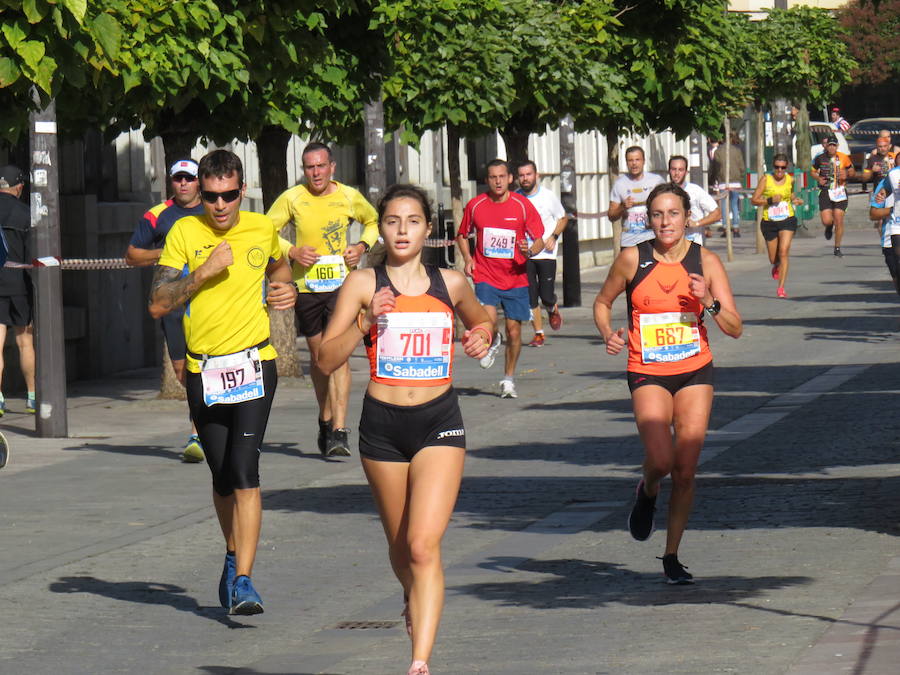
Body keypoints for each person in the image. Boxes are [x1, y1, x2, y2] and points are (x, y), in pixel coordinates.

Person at [318, 184, 492, 675]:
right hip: (382, 426)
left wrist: (480, 337)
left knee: (422, 544)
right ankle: (413, 595)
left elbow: (482, 322)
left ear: (427, 229)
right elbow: (327, 358)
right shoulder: (362, 284)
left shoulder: (450, 283)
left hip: (439, 421)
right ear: (381, 227)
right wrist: (365, 323)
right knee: (400, 548)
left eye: (412, 221)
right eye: (392, 221)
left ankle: (420, 661)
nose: (401, 230)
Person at [149, 149, 297, 614]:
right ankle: (233, 555)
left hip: (255, 364)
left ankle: (246, 581)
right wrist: (203, 272)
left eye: (228, 196)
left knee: (245, 470)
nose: (219, 206)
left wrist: (284, 287)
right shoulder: (183, 231)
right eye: (211, 197)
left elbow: (278, 266)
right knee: (221, 475)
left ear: (242, 190)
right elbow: (158, 301)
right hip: (204, 370)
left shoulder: (261, 227)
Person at [593, 183, 742, 584]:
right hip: (648, 370)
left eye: (673, 213)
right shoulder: (632, 259)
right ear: (648, 219)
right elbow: (602, 301)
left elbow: (734, 327)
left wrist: (707, 300)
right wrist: (608, 332)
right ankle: (648, 489)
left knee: (688, 470)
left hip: (695, 369)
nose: (665, 222)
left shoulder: (705, 261)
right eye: (657, 214)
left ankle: (671, 554)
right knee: (661, 460)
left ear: (687, 217)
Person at [267, 142, 378, 458]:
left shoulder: (348, 196)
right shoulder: (293, 198)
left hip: (342, 286)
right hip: (307, 287)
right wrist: (291, 251)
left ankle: (340, 430)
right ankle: (325, 417)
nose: (315, 173)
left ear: (332, 167)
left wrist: (361, 248)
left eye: (320, 166)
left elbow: (372, 221)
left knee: (338, 354)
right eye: (309, 167)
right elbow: (265, 229)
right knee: (320, 358)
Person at [126, 159, 206, 462]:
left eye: (189, 178)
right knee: (182, 371)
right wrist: (169, 251)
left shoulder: (213, 209)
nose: (184, 184)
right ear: (171, 182)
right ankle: (204, 418)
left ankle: (198, 434)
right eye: (178, 179)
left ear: (199, 181)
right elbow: (132, 255)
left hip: (207, 301)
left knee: (203, 366)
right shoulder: (157, 215)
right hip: (173, 304)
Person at [456, 159, 545, 398]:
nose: (497, 181)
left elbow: (539, 239)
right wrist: (467, 259)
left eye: (502, 177)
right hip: (486, 274)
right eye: (493, 177)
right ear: (487, 180)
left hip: (515, 278)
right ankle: (493, 338)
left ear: (510, 179)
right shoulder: (476, 205)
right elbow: (462, 235)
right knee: (488, 319)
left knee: (515, 332)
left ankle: (508, 379)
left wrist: (530, 250)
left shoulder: (522, 205)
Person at [516, 160, 566, 347]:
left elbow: (563, 218)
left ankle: (552, 307)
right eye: (522, 175)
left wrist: (554, 236)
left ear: (536, 176)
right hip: (525, 253)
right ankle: (539, 333)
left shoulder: (547, 196)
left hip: (546, 252)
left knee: (545, 295)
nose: (525, 178)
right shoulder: (516, 198)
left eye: (528, 174)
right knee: (530, 295)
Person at [0, 165, 35, 416]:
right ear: (19, 186)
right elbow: (33, 255)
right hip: (19, 284)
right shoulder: (25, 214)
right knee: (25, 342)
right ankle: (32, 396)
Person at [750, 154, 804, 298]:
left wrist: (796, 200)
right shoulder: (766, 180)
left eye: (783, 167)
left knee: (784, 251)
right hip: (770, 222)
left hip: (787, 219)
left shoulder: (790, 179)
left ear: (786, 168)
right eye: (777, 167)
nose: (780, 170)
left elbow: (790, 195)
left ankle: (781, 288)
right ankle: (776, 265)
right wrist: (769, 200)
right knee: (774, 258)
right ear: (773, 167)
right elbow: (754, 200)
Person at [608, 146, 664, 247]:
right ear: (626, 163)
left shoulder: (656, 181)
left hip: (652, 238)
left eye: (637, 160)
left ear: (643, 161)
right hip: (629, 241)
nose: (634, 163)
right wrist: (622, 207)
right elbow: (611, 215)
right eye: (630, 160)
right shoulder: (620, 184)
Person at [811, 135, 855, 257]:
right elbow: (812, 171)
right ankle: (828, 227)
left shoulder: (843, 157)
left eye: (834, 145)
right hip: (825, 191)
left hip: (840, 191)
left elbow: (852, 171)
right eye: (829, 145)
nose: (831, 147)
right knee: (826, 220)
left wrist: (846, 174)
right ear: (826, 146)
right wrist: (818, 178)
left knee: (839, 219)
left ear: (837, 146)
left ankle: (837, 247)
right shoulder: (820, 158)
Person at [667, 155, 720, 245]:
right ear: (669, 171)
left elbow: (717, 214)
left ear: (686, 172)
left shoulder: (695, 191)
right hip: (671, 246)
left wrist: (697, 223)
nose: (676, 173)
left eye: (680, 170)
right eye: (673, 169)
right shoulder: (663, 192)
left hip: (693, 242)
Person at [709, 132, 746, 238]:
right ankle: (736, 227)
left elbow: (714, 167)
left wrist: (712, 179)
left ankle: (725, 227)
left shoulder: (718, 151)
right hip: (735, 181)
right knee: (734, 205)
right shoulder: (737, 151)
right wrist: (740, 176)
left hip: (723, 181)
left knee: (725, 206)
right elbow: (741, 166)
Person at [871, 169, 900, 296]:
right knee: (897, 278)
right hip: (890, 237)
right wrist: (894, 210)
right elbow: (873, 214)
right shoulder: (886, 183)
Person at [861, 131, 899, 213]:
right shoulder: (872, 159)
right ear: (876, 147)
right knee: (879, 216)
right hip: (879, 191)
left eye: (885, 146)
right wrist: (871, 171)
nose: (883, 148)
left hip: (893, 191)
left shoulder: (895, 156)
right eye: (880, 146)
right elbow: (864, 178)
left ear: (889, 146)